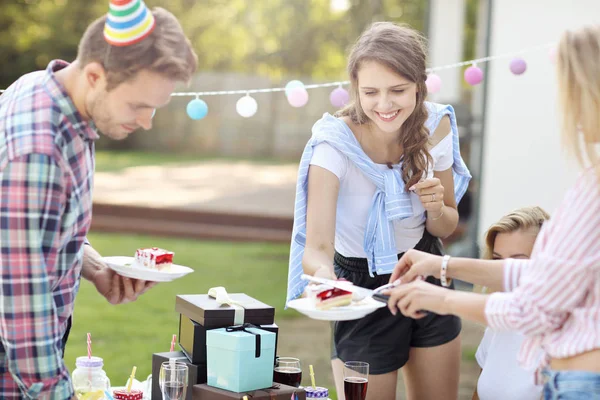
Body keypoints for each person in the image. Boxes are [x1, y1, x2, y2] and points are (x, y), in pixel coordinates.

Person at [386, 24, 600, 399]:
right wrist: (442, 266)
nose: (567, 108)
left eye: (570, 91)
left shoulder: (594, 191)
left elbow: (535, 308)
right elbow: (543, 274)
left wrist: (440, 298)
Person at [0, 1, 198, 398]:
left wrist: (95, 267)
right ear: (94, 75)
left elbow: (38, 229)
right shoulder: (38, 150)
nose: (146, 122)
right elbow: (21, 305)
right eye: (139, 105)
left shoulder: (50, 92)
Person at [285, 22, 471, 399]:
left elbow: (445, 226)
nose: (384, 105)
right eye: (370, 92)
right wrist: (329, 281)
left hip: (425, 271)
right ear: (355, 88)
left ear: (419, 84)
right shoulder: (333, 145)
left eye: (398, 91)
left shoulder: (436, 126)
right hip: (358, 287)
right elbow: (317, 248)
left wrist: (435, 207)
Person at [472, 206, 550, 400]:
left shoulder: (568, 337)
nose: (504, 274)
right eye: (498, 261)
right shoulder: (497, 327)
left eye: (518, 263)